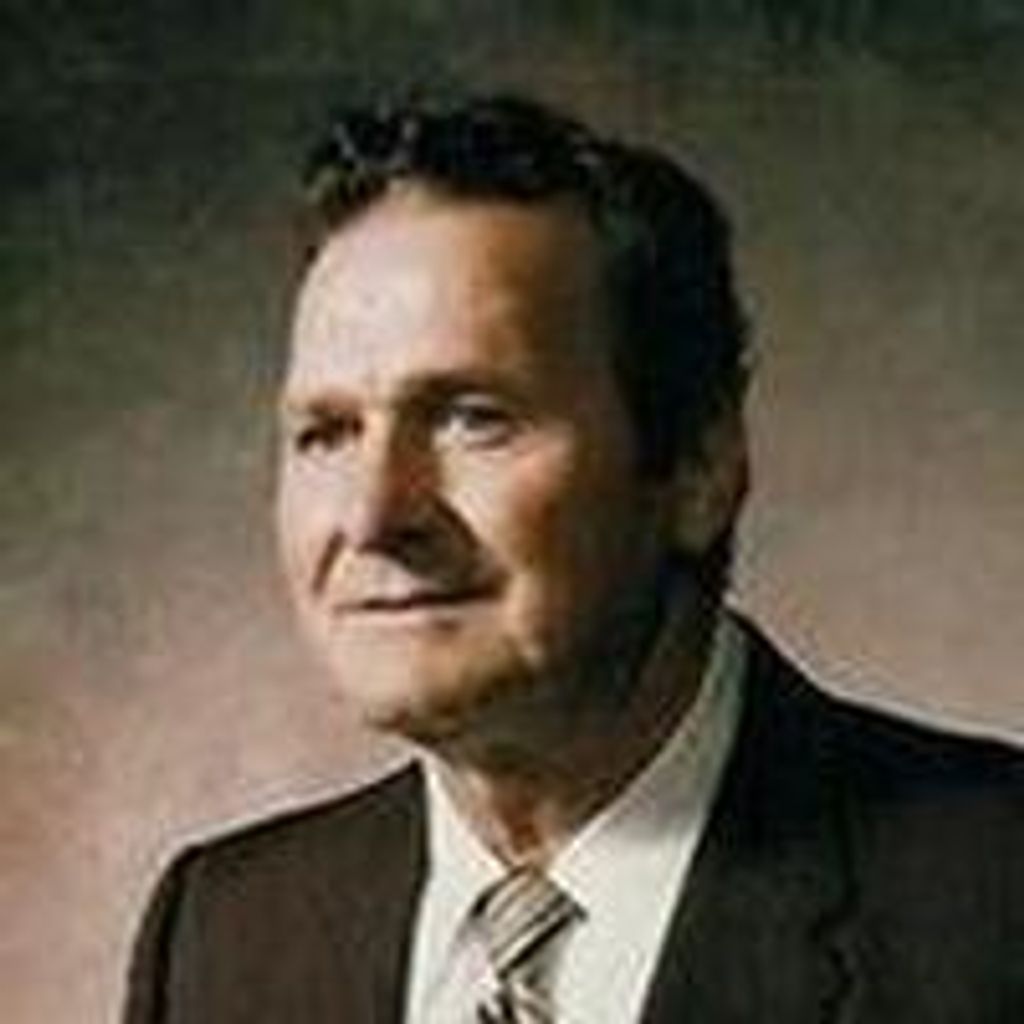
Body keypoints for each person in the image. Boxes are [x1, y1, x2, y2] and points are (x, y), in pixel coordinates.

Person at [124, 92, 1023, 1024]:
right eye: (326, 432)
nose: (374, 513)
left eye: (474, 418)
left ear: (702, 468)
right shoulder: (222, 937)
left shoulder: (994, 903)